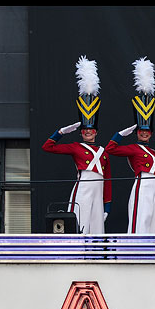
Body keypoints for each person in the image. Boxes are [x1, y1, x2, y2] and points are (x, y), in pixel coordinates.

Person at [41, 56, 111, 234]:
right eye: (85, 130)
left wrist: (107, 206)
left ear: (96, 132)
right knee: (80, 222)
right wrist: (61, 133)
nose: (88, 132)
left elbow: (108, 181)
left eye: (91, 130)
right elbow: (47, 147)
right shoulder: (75, 147)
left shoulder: (103, 152)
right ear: (81, 132)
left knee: (97, 228)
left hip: (99, 188)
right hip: (84, 186)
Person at [105, 57, 155, 234]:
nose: (144, 133)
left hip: (154, 186)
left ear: (151, 133)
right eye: (140, 131)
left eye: (146, 131)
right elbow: (110, 150)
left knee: (154, 223)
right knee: (140, 219)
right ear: (137, 132)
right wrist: (121, 135)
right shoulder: (133, 148)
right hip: (142, 183)